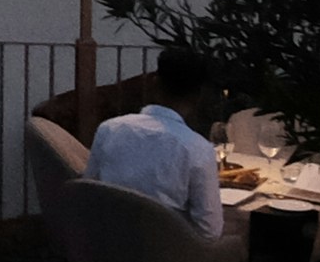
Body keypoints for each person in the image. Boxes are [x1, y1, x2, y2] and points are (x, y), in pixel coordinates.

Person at [85, 69, 233, 243]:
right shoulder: (198, 149)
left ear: (155, 85)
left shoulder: (109, 129)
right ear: (198, 96)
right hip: (166, 257)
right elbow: (209, 231)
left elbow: (89, 186)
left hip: (105, 244)